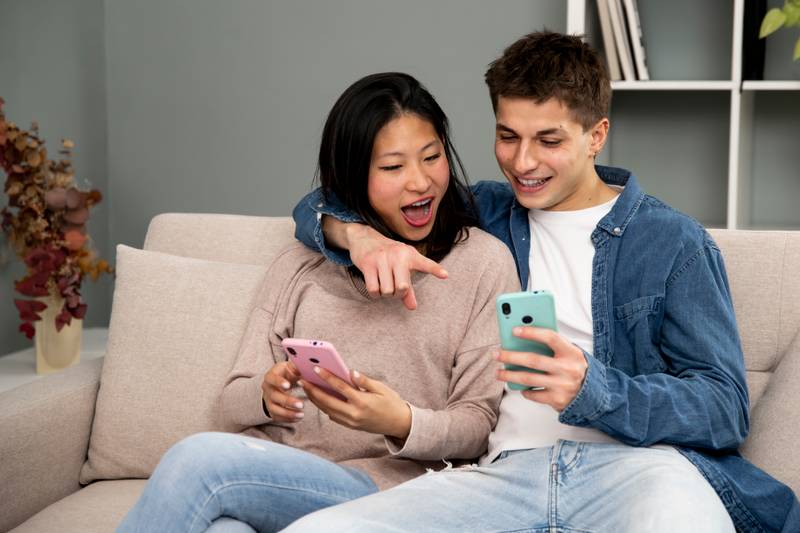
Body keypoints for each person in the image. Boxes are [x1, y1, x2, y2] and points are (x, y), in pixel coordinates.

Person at [285, 32, 799, 532]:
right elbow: (321, 202)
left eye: (548, 140)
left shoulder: (673, 243)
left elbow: (722, 409)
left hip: (635, 471)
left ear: (596, 135)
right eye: (508, 136)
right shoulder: (484, 211)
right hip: (502, 475)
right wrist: (357, 238)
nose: (522, 162)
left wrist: (594, 389)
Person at [117, 72, 519, 532]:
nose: (420, 182)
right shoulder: (300, 264)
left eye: (432, 157)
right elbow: (231, 403)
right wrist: (266, 396)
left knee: (196, 460)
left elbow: (478, 423)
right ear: (351, 176)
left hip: (387, 492)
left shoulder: (483, 264)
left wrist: (400, 421)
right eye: (392, 168)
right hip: (274, 478)